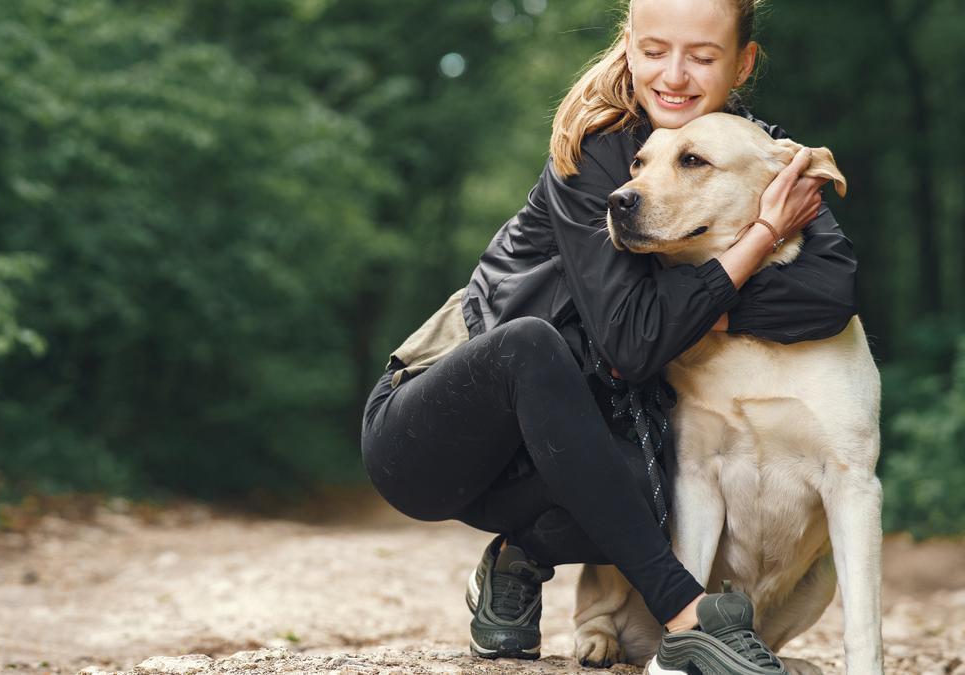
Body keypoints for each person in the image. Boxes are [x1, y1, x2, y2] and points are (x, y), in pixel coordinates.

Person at [359, 0, 856, 673]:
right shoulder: (597, 149)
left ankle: (518, 555)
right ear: (629, 46)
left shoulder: (749, 152)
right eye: (654, 50)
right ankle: (688, 620)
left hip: (556, 454)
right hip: (431, 431)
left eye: (702, 57)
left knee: (664, 487)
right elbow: (629, 342)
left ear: (741, 64)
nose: (674, 75)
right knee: (532, 345)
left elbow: (830, 290)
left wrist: (694, 305)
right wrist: (760, 239)